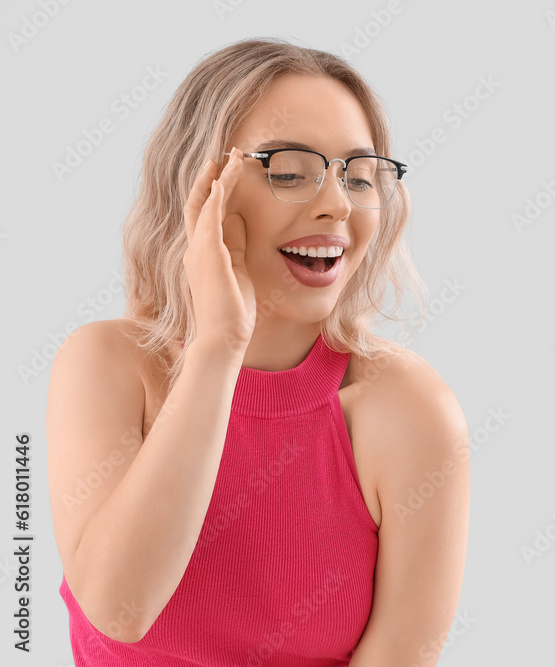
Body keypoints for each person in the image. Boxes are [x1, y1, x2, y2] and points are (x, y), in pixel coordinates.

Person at [45, 37, 470, 666]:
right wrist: (218, 346)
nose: (336, 205)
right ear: (199, 186)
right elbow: (120, 608)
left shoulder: (409, 410)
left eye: (358, 176)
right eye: (289, 171)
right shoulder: (107, 365)